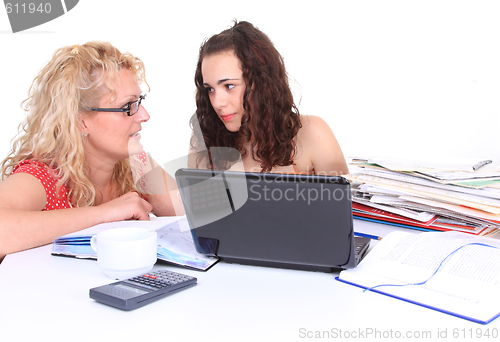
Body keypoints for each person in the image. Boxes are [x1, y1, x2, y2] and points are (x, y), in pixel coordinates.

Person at [0, 41, 181, 260]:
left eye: (139, 101)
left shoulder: (136, 165)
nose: (144, 115)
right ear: (81, 122)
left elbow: (200, 217)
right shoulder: (45, 176)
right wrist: (103, 215)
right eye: (128, 106)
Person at [189, 21, 349, 175]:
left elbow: (342, 201)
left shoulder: (313, 133)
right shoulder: (206, 139)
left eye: (229, 86)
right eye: (210, 89)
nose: (217, 103)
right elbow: (194, 202)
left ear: (261, 82)